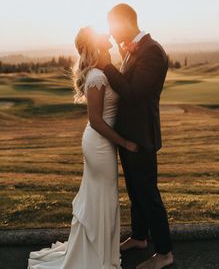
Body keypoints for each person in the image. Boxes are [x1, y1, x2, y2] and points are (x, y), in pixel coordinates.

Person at [27, 26, 138, 269]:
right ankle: (97, 257)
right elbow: (96, 121)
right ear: (95, 44)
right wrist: (125, 143)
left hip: (102, 143)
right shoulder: (96, 77)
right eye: (104, 36)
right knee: (103, 198)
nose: (108, 36)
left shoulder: (102, 70)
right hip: (99, 144)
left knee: (102, 197)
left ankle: (98, 252)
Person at [98, 3, 175, 269]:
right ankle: (140, 237)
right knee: (135, 191)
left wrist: (108, 68)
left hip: (141, 136)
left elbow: (133, 92)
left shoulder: (152, 52)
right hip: (129, 134)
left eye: (111, 25)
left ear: (125, 22)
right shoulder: (135, 49)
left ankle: (164, 253)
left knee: (148, 194)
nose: (109, 32)